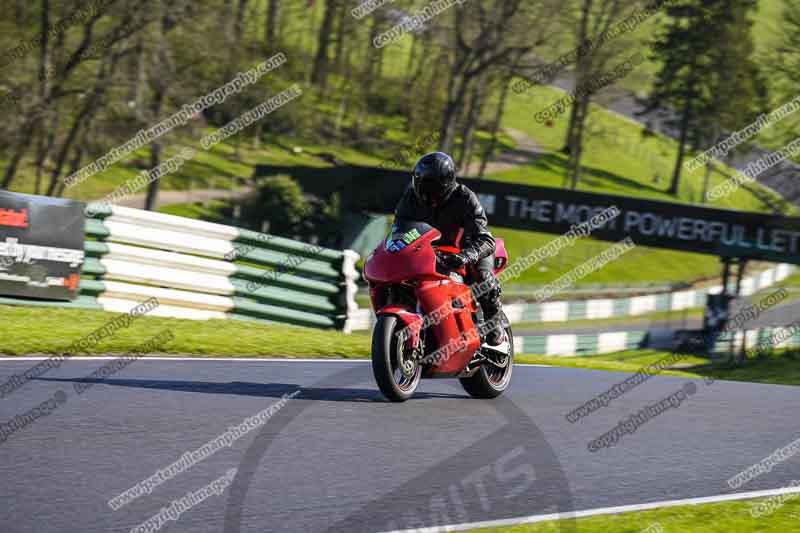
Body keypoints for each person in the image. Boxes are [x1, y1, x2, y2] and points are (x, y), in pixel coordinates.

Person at [394, 151, 507, 346]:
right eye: (423, 184)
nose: (427, 191)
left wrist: (466, 255)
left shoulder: (465, 197)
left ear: (447, 183)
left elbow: (485, 239)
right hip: (430, 253)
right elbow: (399, 229)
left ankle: (493, 320)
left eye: (433, 186)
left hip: (469, 251)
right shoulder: (410, 198)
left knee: (483, 277)